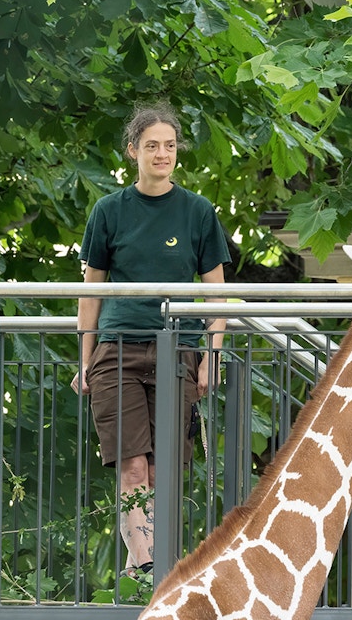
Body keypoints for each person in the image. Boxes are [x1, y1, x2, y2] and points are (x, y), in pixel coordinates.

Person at [70, 102, 232, 579]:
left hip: (175, 351)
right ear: (133, 151)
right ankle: (149, 567)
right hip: (117, 349)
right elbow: (89, 294)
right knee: (132, 468)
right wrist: (85, 359)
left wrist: (211, 356)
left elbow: (216, 295)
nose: (162, 154)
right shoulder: (108, 211)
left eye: (170, 145)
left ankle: (148, 563)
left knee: (162, 471)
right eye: (152, 145)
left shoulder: (198, 212)